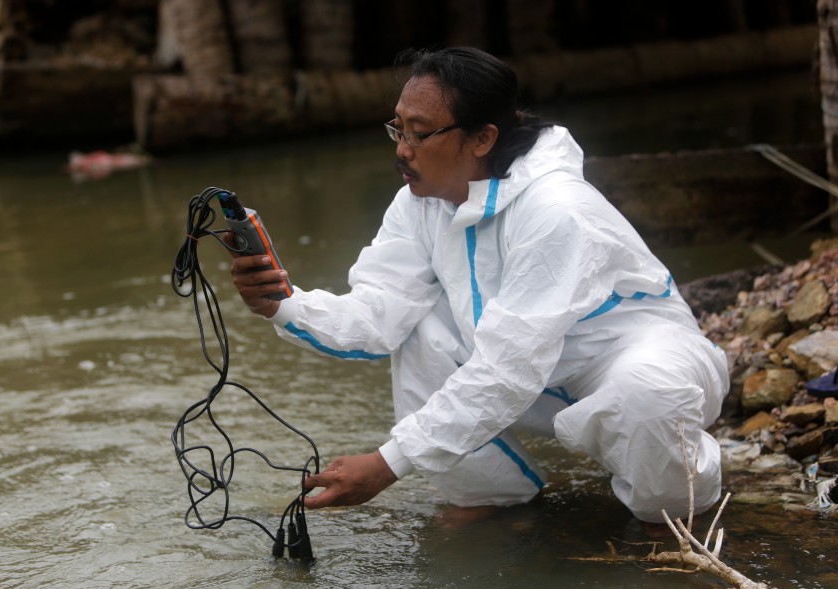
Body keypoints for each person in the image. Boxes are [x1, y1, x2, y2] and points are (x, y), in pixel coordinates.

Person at [228, 46, 729, 526]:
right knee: (419, 325)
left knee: (645, 399)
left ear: (483, 139)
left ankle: (674, 511)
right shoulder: (418, 203)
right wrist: (282, 304)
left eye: (420, 134)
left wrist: (387, 464)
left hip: (632, 366)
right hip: (535, 378)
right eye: (397, 129)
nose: (402, 150)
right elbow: (379, 316)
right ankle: (488, 494)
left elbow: (509, 367)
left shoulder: (556, 209)